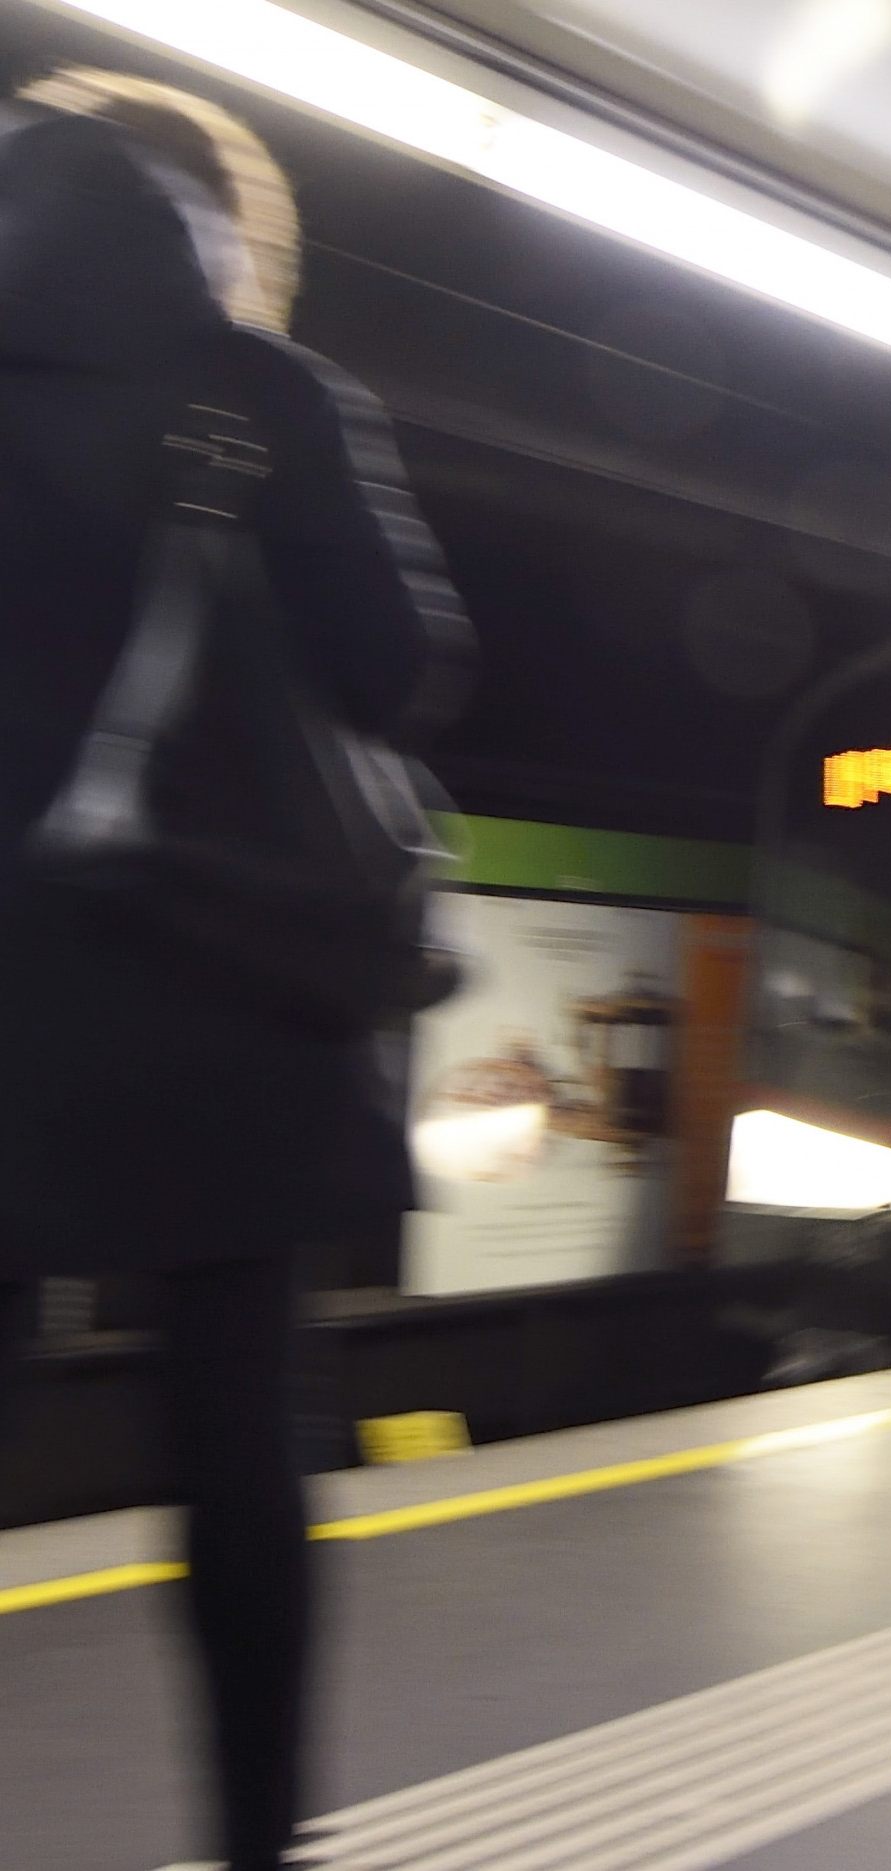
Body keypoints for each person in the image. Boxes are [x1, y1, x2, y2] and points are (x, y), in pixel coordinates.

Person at [0, 71, 466, 1870]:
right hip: (221, 972)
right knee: (235, 1432)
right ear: (207, 221)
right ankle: (258, 1841)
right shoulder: (257, 390)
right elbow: (397, 670)